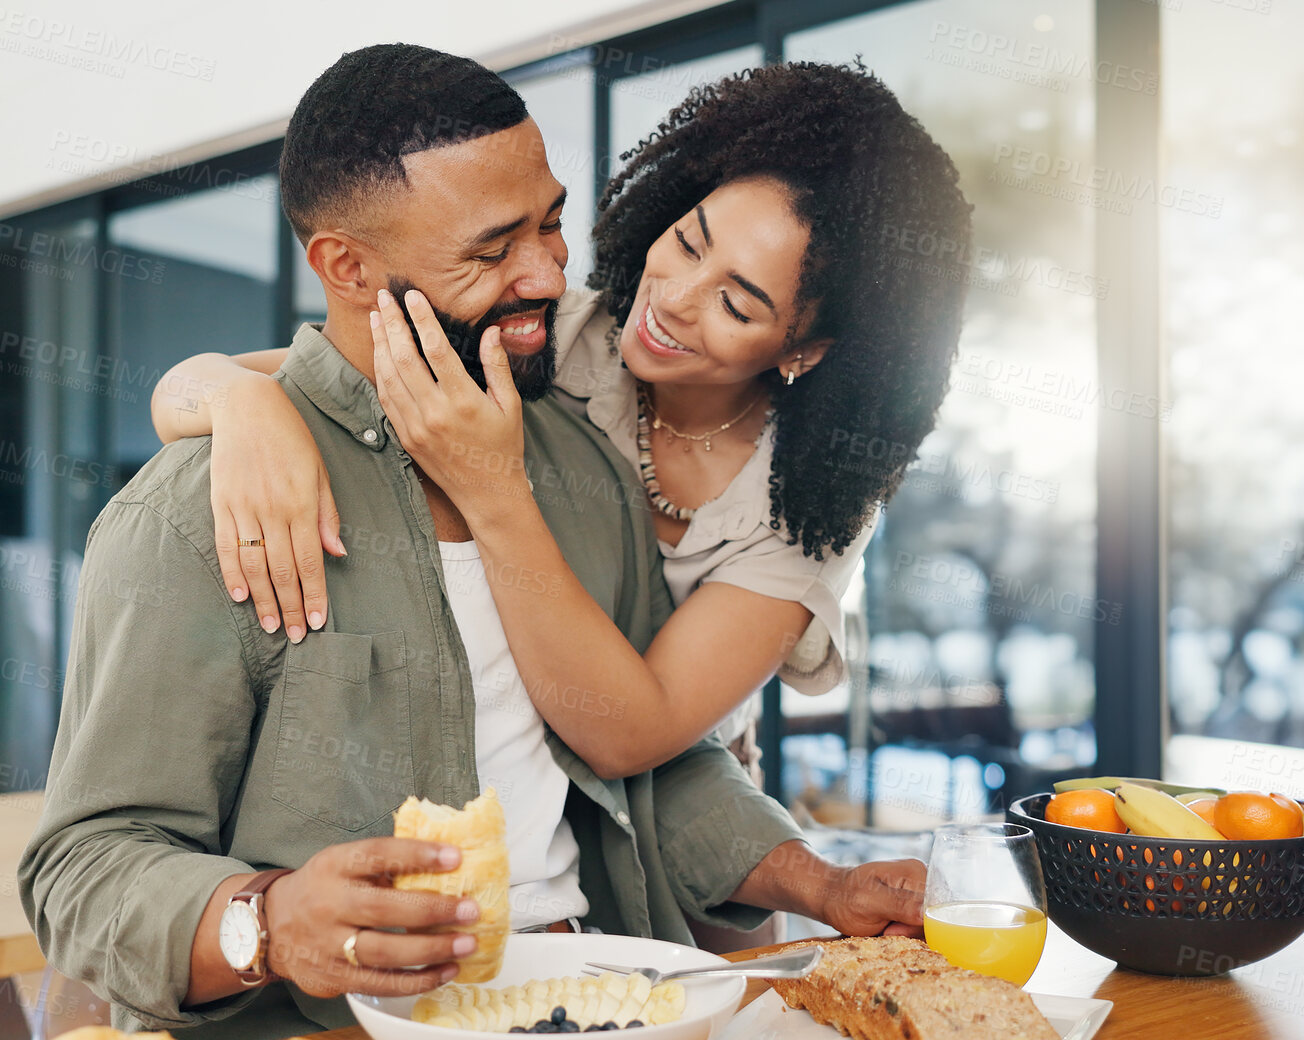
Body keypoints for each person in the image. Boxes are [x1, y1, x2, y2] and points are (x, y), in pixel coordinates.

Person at [21, 44, 925, 1040]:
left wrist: (820, 881)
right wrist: (268, 920)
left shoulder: (581, 467)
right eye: (493, 250)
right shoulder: (194, 513)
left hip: (604, 996)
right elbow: (84, 868)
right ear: (347, 266)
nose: (548, 272)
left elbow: (639, 760)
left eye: (550, 221)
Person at [151, 61, 972, 789]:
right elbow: (208, 383)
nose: (675, 301)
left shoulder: (807, 503)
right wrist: (240, 404)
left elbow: (633, 734)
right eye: (687, 242)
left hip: (679, 817)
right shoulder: (563, 335)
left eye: (735, 301)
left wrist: (492, 485)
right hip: (511, 781)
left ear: (807, 346)